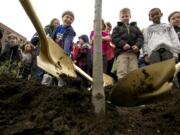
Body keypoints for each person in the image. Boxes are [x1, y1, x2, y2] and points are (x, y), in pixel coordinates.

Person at [112, 8, 144, 80]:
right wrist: (123, 44)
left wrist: (137, 46)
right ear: (119, 17)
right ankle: (122, 87)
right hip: (122, 53)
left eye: (126, 16)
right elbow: (114, 38)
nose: (124, 18)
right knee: (122, 71)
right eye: (122, 17)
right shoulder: (117, 28)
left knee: (134, 71)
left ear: (130, 16)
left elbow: (140, 38)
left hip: (133, 53)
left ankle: (133, 88)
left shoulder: (135, 27)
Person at [51, 11, 76, 87]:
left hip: (62, 53)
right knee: (52, 68)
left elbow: (68, 41)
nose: (68, 19)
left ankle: (60, 87)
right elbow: (52, 37)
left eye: (71, 19)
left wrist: (65, 52)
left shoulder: (70, 30)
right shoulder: (58, 27)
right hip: (54, 51)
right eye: (67, 17)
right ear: (62, 18)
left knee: (61, 70)